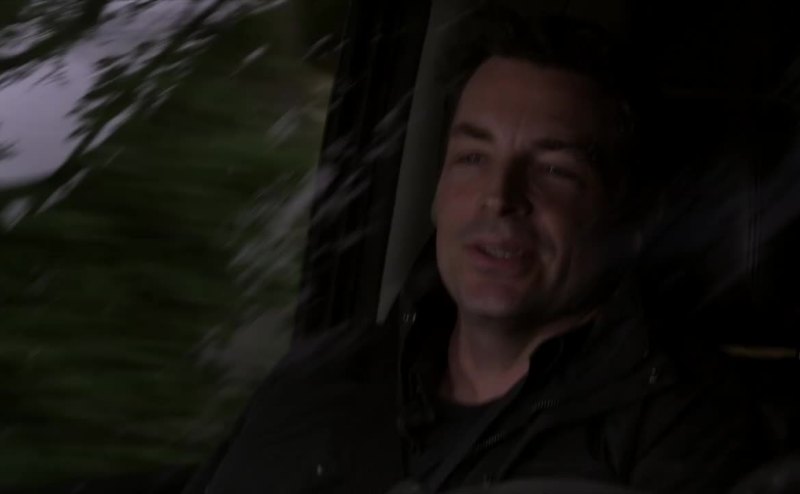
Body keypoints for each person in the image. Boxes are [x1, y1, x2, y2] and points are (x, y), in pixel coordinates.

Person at [182, 9, 770, 494]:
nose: (500, 197)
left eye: (555, 169)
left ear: (633, 215)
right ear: (438, 190)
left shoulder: (689, 427)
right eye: (472, 158)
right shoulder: (321, 379)